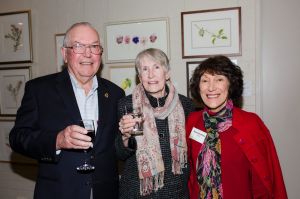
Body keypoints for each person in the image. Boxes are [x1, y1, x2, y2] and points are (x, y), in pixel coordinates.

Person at [9, 22, 125, 199]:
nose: (88, 53)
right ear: (65, 54)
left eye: (94, 46)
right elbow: (18, 138)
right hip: (58, 193)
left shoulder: (116, 93)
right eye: (78, 46)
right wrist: (57, 140)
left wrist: (127, 139)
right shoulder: (39, 90)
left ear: (100, 53)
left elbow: (117, 148)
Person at [186, 55, 287, 199]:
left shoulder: (251, 123)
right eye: (205, 80)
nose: (211, 87)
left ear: (231, 84)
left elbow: (271, 176)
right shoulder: (192, 121)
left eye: (219, 79)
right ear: (198, 86)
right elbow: (189, 173)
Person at [116, 48, 194, 198]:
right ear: (139, 76)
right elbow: (118, 153)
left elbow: (194, 147)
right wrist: (125, 138)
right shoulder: (126, 104)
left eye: (156, 67)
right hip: (137, 192)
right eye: (145, 69)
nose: (151, 75)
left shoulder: (186, 105)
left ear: (167, 73)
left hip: (176, 192)